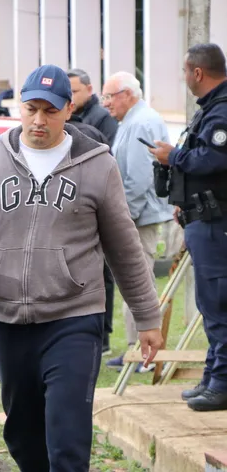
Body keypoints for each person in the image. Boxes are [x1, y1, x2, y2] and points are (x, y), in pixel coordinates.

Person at [0, 64, 164, 471]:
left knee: (67, 435)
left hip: (74, 316)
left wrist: (148, 316)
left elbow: (124, 246)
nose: (39, 120)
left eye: (50, 111)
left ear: (68, 111)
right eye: (31, 109)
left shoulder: (97, 165)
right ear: (20, 108)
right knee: (23, 434)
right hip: (8, 320)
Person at [148, 43, 227, 412]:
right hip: (201, 220)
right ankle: (214, 378)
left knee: (218, 305)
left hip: (216, 224)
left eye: (184, 71)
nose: (183, 78)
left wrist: (172, 156)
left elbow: (213, 158)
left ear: (197, 72)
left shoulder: (222, 111)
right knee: (209, 305)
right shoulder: (209, 110)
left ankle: (222, 384)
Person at [100, 71, 175, 371]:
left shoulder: (142, 120)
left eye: (109, 96)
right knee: (131, 281)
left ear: (126, 94)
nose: (105, 104)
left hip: (138, 217)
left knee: (138, 281)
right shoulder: (131, 119)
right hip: (135, 214)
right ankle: (135, 349)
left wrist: (124, 217)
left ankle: (143, 354)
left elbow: (139, 178)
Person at [65, 68, 120, 355]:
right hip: (89, 215)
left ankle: (97, 336)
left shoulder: (99, 122)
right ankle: (98, 337)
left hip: (86, 212)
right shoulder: (92, 127)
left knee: (95, 275)